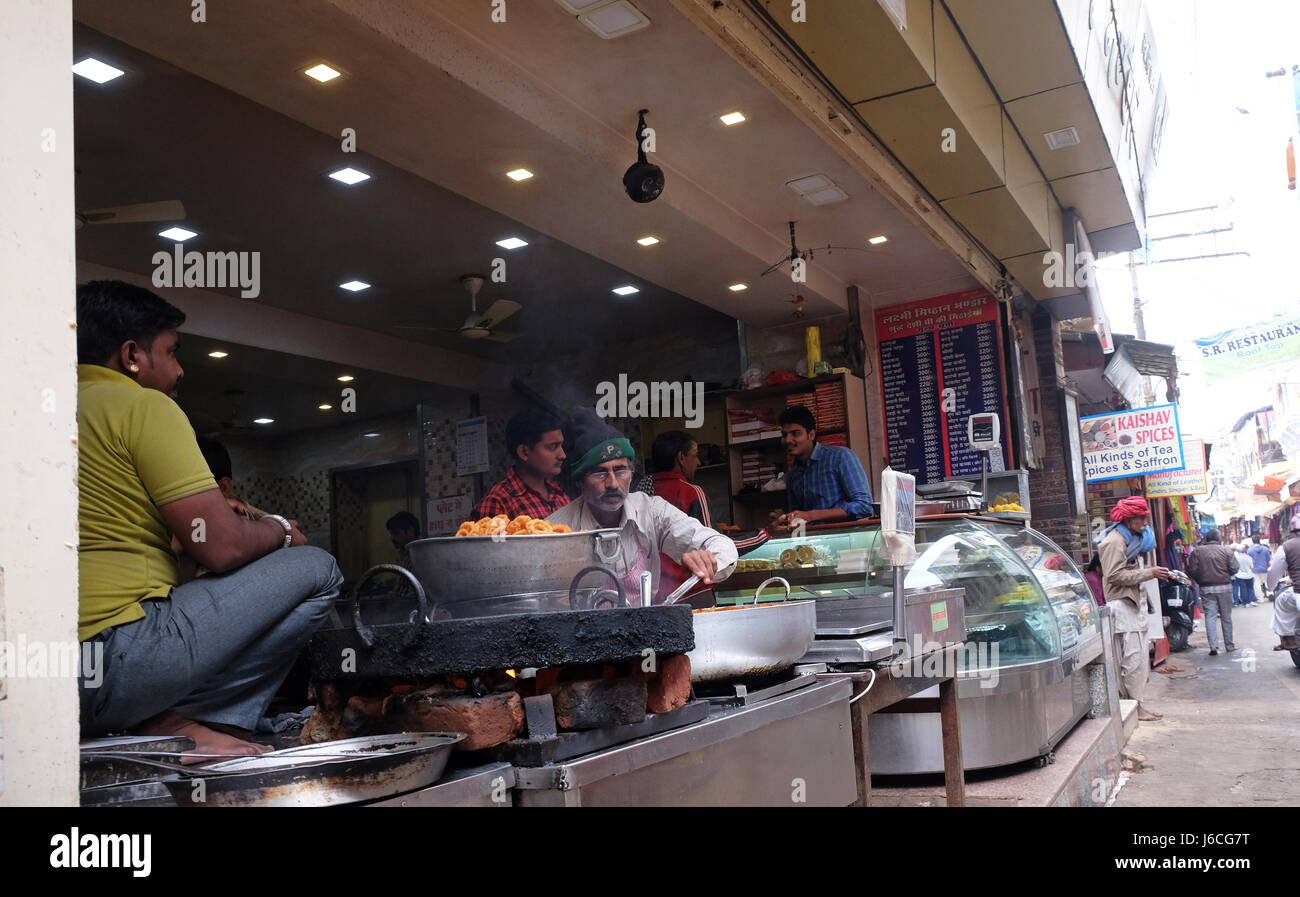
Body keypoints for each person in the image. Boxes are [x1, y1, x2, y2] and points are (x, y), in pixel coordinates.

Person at [76, 280, 343, 761]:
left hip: (49, 674)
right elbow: (221, 548)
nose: (179, 370)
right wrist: (283, 531)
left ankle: (159, 719)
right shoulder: (143, 405)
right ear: (132, 355)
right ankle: (200, 723)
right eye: (172, 352)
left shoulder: (35, 409)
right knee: (319, 568)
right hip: (119, 660)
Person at [548, 409, 737, 601]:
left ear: (631, 473)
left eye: (620, 470)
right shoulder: (555, 531)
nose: (613, 483)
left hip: (644, 627)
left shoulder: (652, 511)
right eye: (599, 473)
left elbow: (722, 545)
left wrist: (707, 560)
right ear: (579, 481)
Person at [1097, 496, 1172, 722]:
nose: (1145, 523)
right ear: (1129, 519)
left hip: (1132, 605)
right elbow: (1114, 575)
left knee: (1137, 660)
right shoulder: (1114, 542)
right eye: (1142, 518)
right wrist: (1150, 572)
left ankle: (1136, 703)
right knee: (1132, 660)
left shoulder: (1129, 540)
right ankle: (1134, 705)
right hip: (1122, 606)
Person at [770, 405, 873, 529]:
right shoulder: (793, 474)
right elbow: (799, 522)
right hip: (814, 544)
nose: (788, 440)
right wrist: (785, 521)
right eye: (784, 434)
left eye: (795, 433)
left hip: (845, 541)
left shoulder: (840, 457)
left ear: (811, 435)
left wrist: (812, 515)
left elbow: (865, 506)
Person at [474, 408, 570, 520]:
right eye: (553, 447)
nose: (562, 455)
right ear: (524, 452)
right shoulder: (498, 503)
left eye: (561, 446)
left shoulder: (558, 493)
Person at [1187, 529, 1239, 656]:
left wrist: (1200, 580)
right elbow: (1234, 568)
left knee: (1210, 616)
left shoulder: (1197, 552)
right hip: (1225, 587)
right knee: (1226, 617)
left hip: (1206, 588)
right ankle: (1229, 645)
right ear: (1218, 539)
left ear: (1205, 539)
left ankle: (1213, 646)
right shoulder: (1227, 551)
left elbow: (1192, 571)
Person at [1267, 511, 1300, 650]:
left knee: (1280, 601)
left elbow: (1274, 572)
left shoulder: (1287, 546)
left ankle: (1289, 640)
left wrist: (1270, 587)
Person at [1247, 535, 1273, 600]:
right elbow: (1268, 559)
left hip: (1255, 569)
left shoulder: (1249, 550)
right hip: (1265, 568)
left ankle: (1261, 598)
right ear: (1259, 540)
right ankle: (1270, 593)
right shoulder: (1265, 549)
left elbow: (1249, 560)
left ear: (1252, 541)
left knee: (1257, 584)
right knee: (1267, 582)